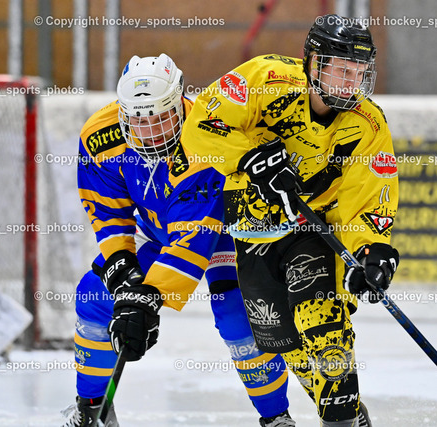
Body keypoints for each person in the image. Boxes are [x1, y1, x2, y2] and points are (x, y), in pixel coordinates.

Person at [181, 15, 400, 427]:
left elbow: (367, 197)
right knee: (288, 344)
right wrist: (248, 156)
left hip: (315, 231)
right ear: (313, 62)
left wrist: (372, 249)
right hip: (253, 226)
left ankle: (340, 420)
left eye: (358, 72)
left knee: (323, 325)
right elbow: (200, 129)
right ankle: (348, 410)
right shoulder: (265, 79)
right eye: (341, 69)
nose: (351, 81)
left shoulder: (368, 124)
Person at [62, 54, 294, 427]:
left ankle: (276, 418)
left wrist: (146, 298)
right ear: (122, 112)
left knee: (237, 316)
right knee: (95, 296)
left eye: (161, 117)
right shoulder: (98, 135)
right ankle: (91, 411)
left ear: (181, 103)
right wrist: (123, 274)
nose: (150, 131)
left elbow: (193, 238)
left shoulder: (204, 136)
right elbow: (108, 211)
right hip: (159, 231)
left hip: (225, 234)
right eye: (138, 119)